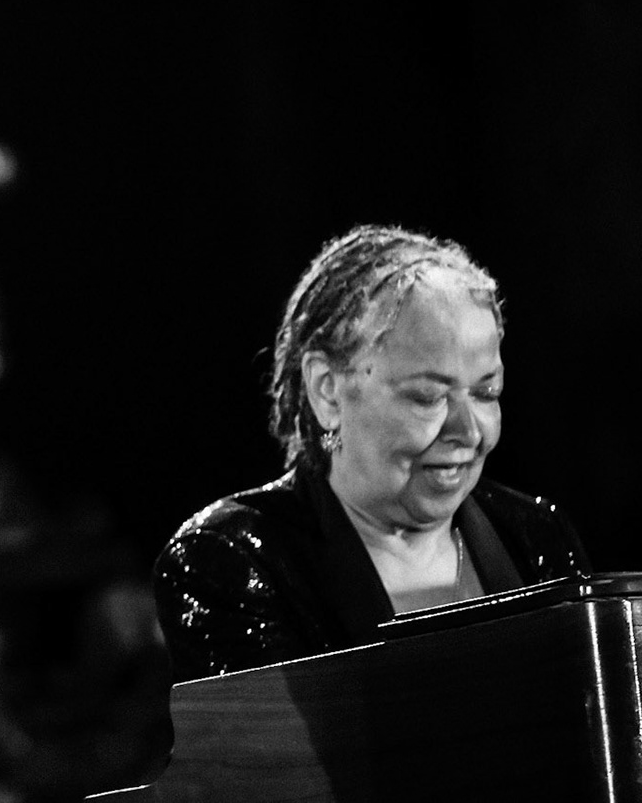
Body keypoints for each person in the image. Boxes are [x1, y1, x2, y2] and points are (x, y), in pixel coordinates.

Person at [151, 225, 588, 682]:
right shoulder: (231, 561)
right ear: (327, 391)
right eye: (427, 397)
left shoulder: (535, 537)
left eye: (486, 393)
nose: (467, 430)